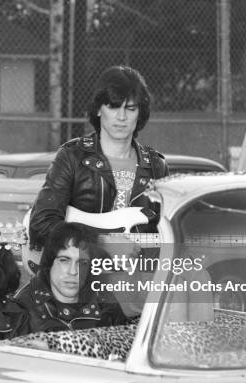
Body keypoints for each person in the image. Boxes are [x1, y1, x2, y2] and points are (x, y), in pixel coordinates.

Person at [28, 65, 169, 250]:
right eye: (113, 107)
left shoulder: (156, 166)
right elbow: (40, 225)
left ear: (140, 113)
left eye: (130, 108)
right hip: (81, 273)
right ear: (98, 110)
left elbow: (166, 231)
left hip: (137, 274)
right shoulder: (72, 157)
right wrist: (102, 243)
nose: (121, 117)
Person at [15, 223, 128, 333]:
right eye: (64, 260)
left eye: (82, 263)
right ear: (49, 262)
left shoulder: (104, 299)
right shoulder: (23, 307)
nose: (73, 271)